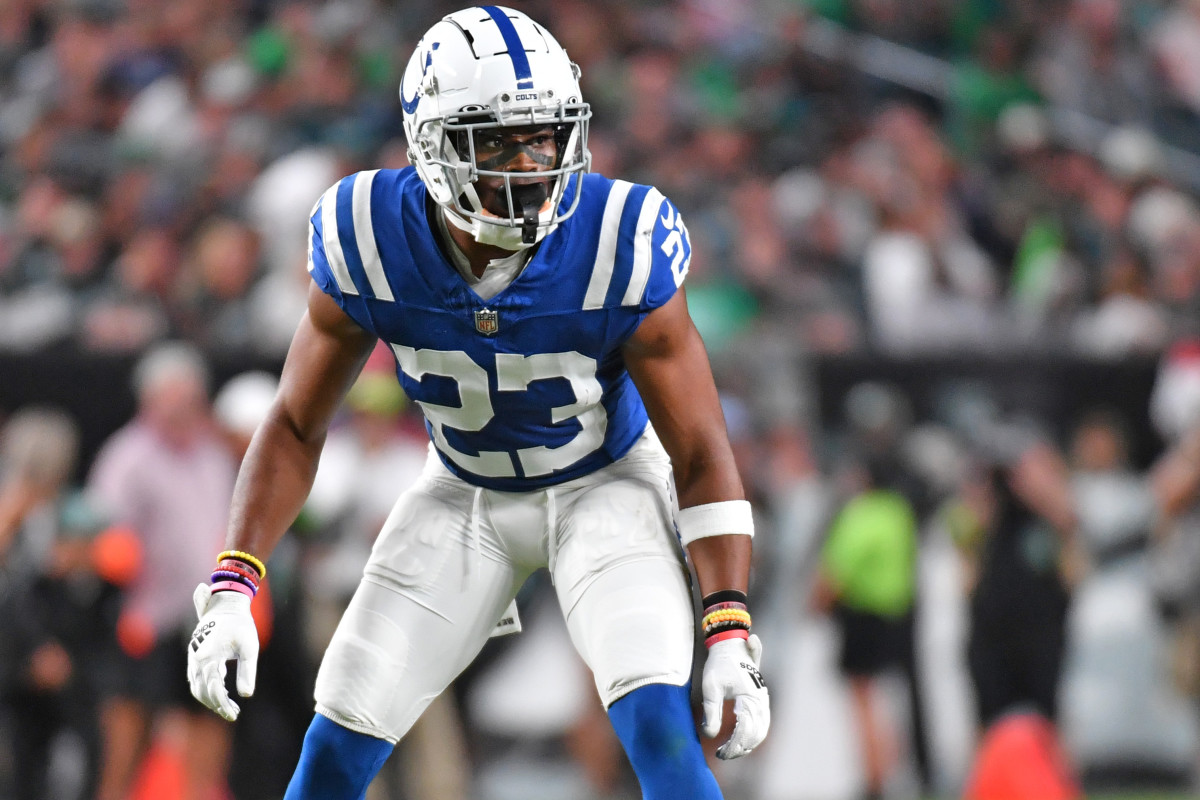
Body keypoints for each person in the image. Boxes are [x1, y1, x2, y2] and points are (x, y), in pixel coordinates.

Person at [186, 7, 770, 800]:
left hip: (604, 485)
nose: (531, 164)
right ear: (429, 146)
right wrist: (234, 581)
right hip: (463, 494)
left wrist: (730, 627)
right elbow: (294, 422)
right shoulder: (370, 234)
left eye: (544, 136)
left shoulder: (618, 237)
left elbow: (700, 451)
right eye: (496, 141)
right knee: (334, 744)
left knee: (661, 729)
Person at [88, 342, 238, 800]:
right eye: (169, 398)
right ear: (148, 400)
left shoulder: (214, 455)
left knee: (211, 728)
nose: (180, 408)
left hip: (206, 620)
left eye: (188, 398)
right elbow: (103, 531)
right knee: (128, 742)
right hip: (145, 618)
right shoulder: (127, 457)